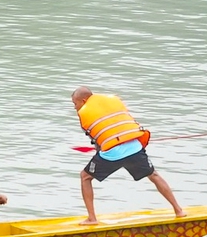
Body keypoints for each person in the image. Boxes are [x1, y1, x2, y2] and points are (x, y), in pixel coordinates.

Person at [73, 87, 184, 222]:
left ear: (83, 100)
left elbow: (100, 143)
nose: (75, 107)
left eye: (75, 103)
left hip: (112, 153)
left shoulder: (85, 113)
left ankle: (92, 218)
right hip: (134, 147)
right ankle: (178, 211)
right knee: (153, 175)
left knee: (85, 177)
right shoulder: (112, 101)